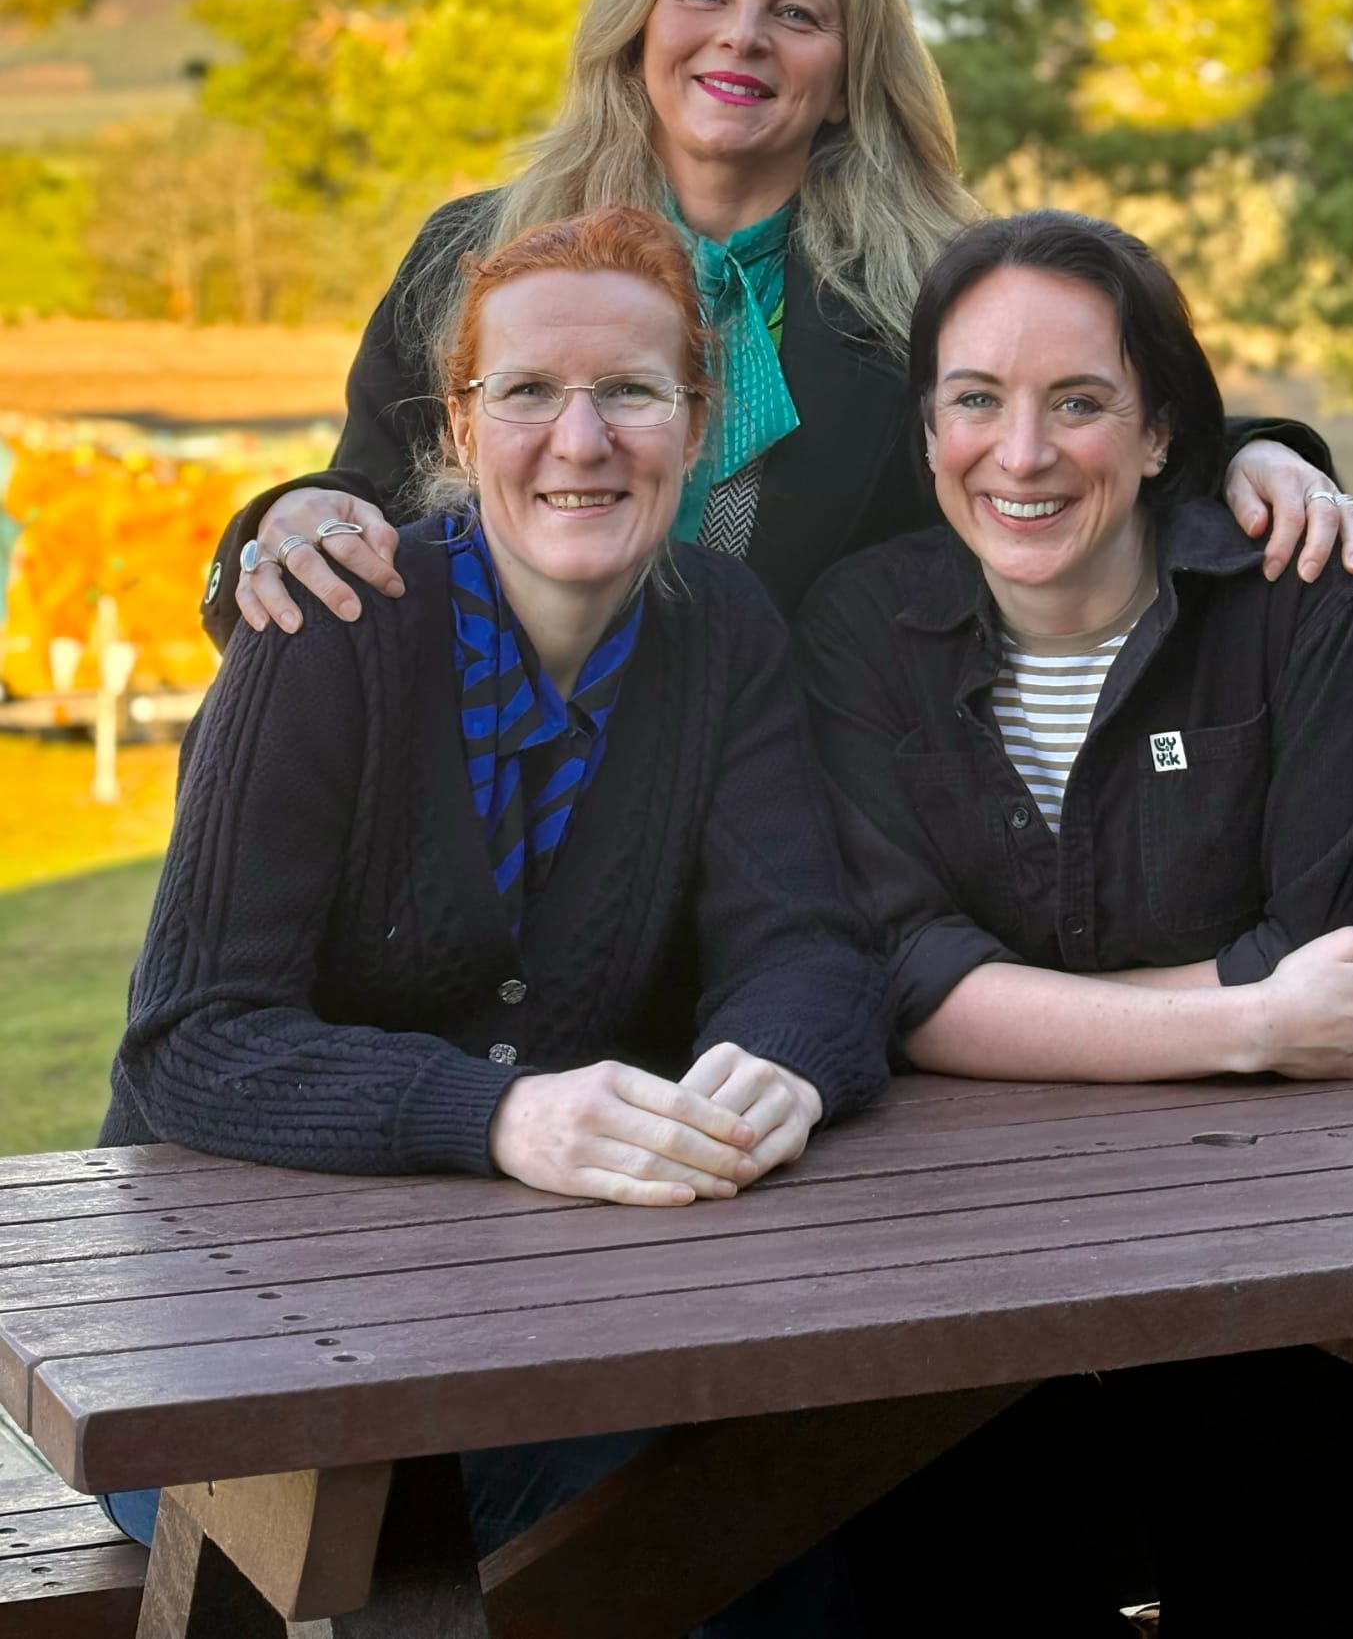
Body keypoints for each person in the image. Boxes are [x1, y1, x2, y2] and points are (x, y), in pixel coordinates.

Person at [101, 204, 887, 1631]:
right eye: (527, 391)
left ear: (698, 424)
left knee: (785, 1534)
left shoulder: (723, 630)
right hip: (225, 1332)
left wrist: (783, 1059)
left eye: (631, 392)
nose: (579, 441)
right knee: (423, 1578)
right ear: (459, 428)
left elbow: (811, 946)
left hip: (533, 1319)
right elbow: (190, 1042)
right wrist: (494, 1117)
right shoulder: (330, 634)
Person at [794, 210, 1353, 1638]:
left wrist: (1012, 1010)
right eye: (975, 399)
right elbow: (897, 975)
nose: (1021, 453)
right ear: (928, 431)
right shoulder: (859, 629)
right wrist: (1251, 1018)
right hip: (967, 1274)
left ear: (1165, 430)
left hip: (1296, 1248)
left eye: (1079, 401)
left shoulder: (1305, 596)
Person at [201, 0, 1353, 648]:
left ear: (850, 69)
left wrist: (1258, 459)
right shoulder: (474, 254)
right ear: (639, 27)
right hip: (511, 802)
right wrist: (288, 520)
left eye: (798, 14)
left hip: (821, 822)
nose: (743, 36)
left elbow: (1096, 446)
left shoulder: (946, 287)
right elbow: (364, 493)